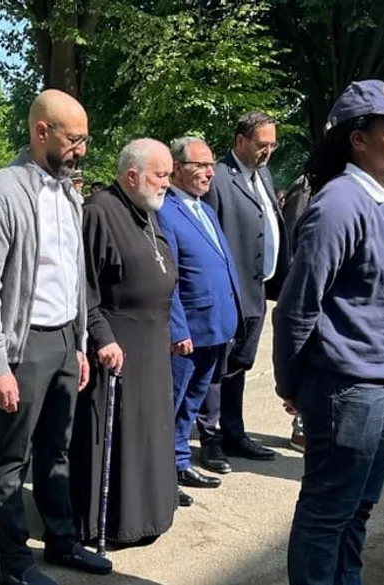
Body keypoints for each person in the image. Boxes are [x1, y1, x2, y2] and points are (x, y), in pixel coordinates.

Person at [273, 79, 384, 585]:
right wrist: (292, 384)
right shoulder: (339, 205)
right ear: (358, 138)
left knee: (358, 508)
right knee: (326, 514)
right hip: (348, 389)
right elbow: (296, 307)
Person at [0, 89, 111, 585]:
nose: (82, 150)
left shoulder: (70, 194)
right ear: (41, 131)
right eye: (74, 139)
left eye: (85, 139)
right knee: (12, 458)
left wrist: (77, 342)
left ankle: (62, 540)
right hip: (23, 346)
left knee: (59, 450)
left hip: (63, 344)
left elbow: (73, 274)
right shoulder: (3, 193)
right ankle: (14, 564)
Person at [70, 138, 178, 546]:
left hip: (153, 343)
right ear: (132, 175)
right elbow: (85, 289)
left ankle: (149, 514)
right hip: (118, 346)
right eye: (161, 174)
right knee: (121, 439)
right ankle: (112, 523)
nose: (167, 182)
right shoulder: (100, 212)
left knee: (150, 434)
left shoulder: (146, 211)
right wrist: (102, 338)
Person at [200, 111, 288, 473]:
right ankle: (209, 440)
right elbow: (206, 239)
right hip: (228, 292)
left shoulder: (263, 175)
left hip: (257, 288)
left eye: (272, 144)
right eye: (261, 144)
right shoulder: (218, 178)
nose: (267, 151)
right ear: (240, 141)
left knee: (239, 366)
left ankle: (234, 432)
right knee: (216, 368)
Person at [158, 137, 243, 505]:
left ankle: (179, 461)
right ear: (177, 168)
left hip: (215, 326)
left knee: (193, 401)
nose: (210, 172)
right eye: (201, 165)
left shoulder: (204, 209)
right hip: (189, 330)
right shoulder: (165, 211)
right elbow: (169, 278)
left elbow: (222, 262)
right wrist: (177, 328)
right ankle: (161, 475)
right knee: (173, 402)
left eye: (211, 165)